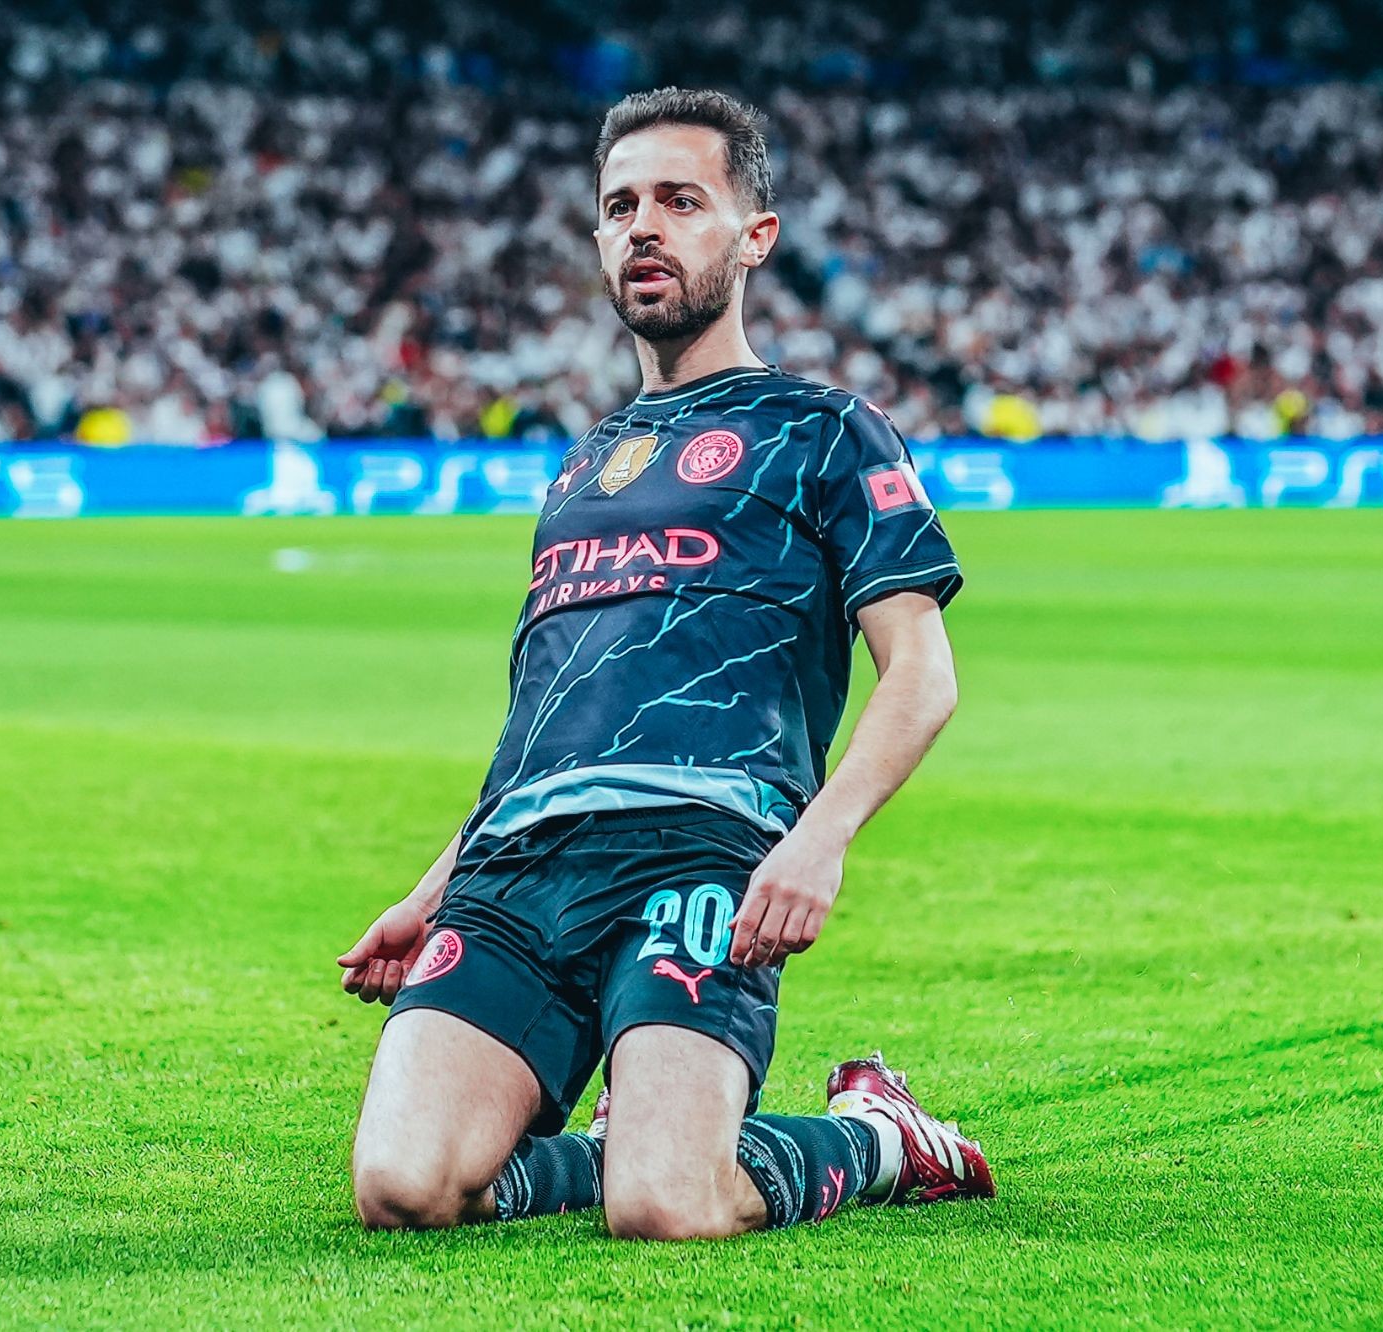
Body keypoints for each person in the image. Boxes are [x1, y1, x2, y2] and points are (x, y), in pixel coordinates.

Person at [336, 87, 994, 1239]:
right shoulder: (581, 466)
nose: (642, 226)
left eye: (680, 202)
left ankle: (879, 1137)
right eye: (619, 206)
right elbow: (550, 722)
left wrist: (818, 839)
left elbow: (920, 675)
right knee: (401, 1186)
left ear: (754, 236)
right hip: (519, 869)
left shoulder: (823, 430)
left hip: (701, 849)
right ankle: (615, 1139)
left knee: (665, 1204)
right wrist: (433, 889)